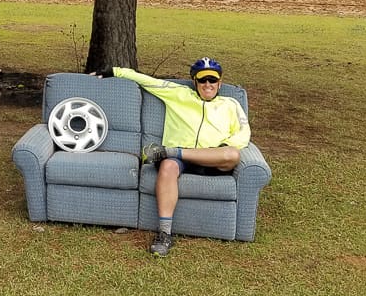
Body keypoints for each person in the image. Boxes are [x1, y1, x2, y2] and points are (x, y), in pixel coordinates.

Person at [94, 57, 250, 257]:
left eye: (212, 80)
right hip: (180, 159)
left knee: (233, 153)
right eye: (202, 80)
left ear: (220, 82)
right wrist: (114, 71)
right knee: (167, 166)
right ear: (195, 82)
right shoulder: (178, 93)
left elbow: (243, 133)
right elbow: (147, 80)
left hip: (212, 157)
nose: (208, 85)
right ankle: (165, 234)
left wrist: (219, 148)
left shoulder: (231, 104)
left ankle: (169, 152)